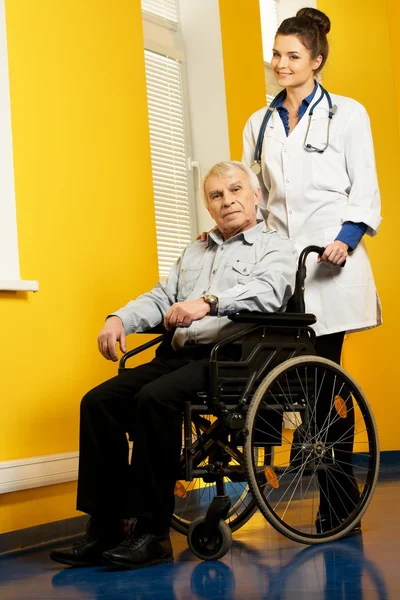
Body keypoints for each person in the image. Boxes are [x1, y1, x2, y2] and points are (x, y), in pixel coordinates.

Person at [50, 161, 297, 571]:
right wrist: (119, 319)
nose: (227, 200)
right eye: (216, 195)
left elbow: (269, 292)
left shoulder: (276, 247)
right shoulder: (195, 250)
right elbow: (161, 297)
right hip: (179, 354)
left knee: (155, 399)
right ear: (209, 205)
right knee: (99, 402)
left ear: (255, 195)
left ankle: (152, 532)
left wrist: (209, 302)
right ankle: (107, 527)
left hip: (234, 358)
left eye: (236, 190)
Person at [242, 7, 382, 530]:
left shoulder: (348, 114)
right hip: (281, 268)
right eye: (276, 55)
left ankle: (339, 501)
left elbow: (364, 192)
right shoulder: (258, 124)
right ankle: (308, 481)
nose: (280, 64)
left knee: (323, 388)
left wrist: (345, 241)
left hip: (330, 268)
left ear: (316, 61)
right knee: (280, 379)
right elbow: (254, 196)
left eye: (292, 56)